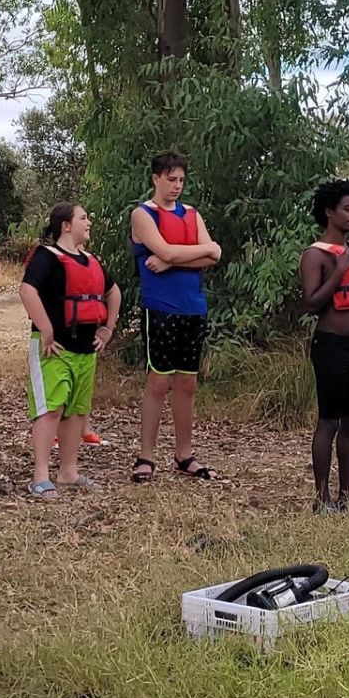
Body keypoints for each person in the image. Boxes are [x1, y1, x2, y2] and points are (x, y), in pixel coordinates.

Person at [129, 151, 222, 483]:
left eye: (181, 180)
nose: (177, 186)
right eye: (171, 179)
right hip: (161, 307)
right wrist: (183, 253)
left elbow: (215, 253)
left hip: (193, 306)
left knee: (187, 383)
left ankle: (185, 453)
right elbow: (196, 250)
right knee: (158, 382)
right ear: (156, 178)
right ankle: (146, 456)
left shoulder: (192, 213)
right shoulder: (143, 214)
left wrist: (170, 260)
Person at [19, 204, 121, 499]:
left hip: (85, 349)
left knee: (77, 411)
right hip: (55, 349)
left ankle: (68, 472)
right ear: (66, 225)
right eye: (83, 217)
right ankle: (40, 476)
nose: (89, 222)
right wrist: (46, 330)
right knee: (51, 408)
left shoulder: (92, 261)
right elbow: (27, 291)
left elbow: (113, 292)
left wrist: (107, 328)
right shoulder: (46, 257)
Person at [300, 179, 349, 511]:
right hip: (331, 346)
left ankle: (348, 493)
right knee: (329, 420)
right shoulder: (316, 255)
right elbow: (312, 302)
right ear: (329, 212)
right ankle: (321, 498)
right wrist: (340, 270)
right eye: (346, 209)